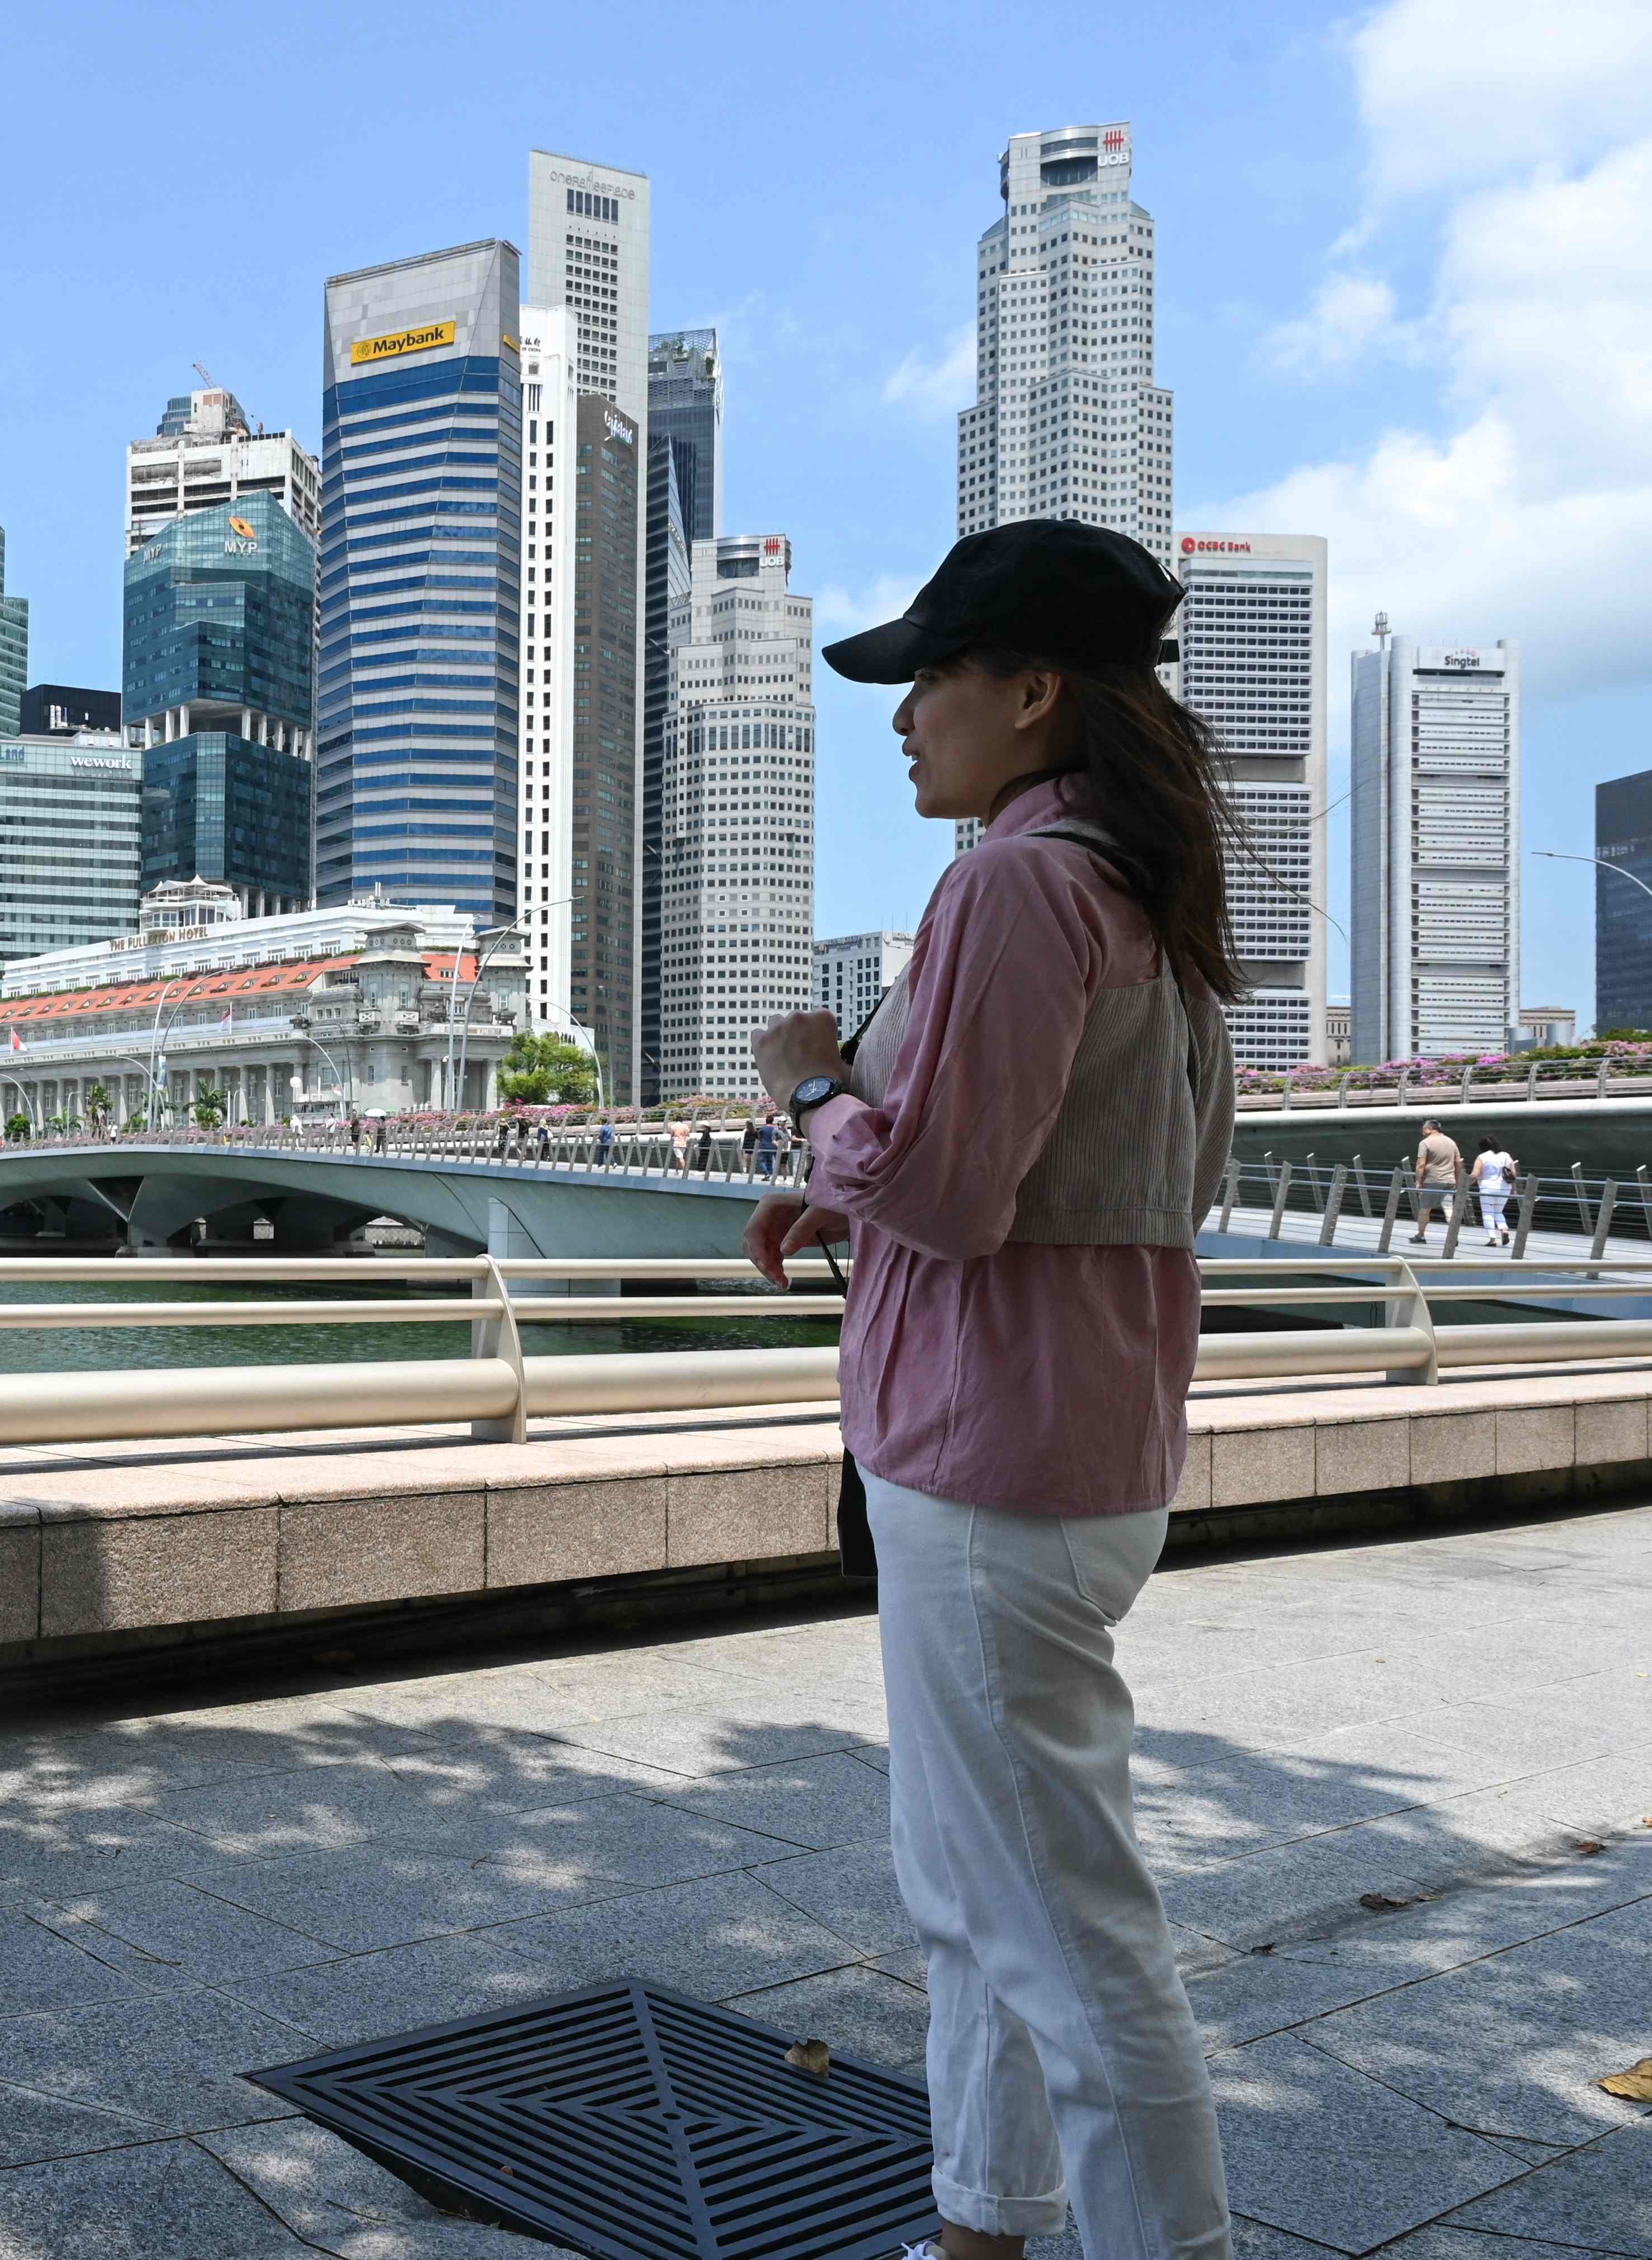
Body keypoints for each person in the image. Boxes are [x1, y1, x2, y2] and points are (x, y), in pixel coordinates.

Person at [745, 520, 1235, 2260]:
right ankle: (982, 2227)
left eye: (929, 681)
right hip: (1083, 1446)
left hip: (985, 1462)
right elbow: (1105, 1168)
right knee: (981, 1893)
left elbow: (952, 1196)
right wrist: (851, 1186)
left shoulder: (1014, 889)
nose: (903, 720)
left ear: (1031, 692)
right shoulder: (1145, 887)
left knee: (1072, 1940)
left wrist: (815, 1096)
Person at [1413, 1118, 1462, 1238]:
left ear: (1430, 1129)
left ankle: (1421, 1236)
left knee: (1425, 1209)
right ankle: (1453, 1237)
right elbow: (1458, 1164)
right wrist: (1457, 1180)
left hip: (1432, 1181)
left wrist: (1418, 1181)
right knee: (1449, 1208)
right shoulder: (1451, 1142)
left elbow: (1421, 1164)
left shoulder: (1425, 1143)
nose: (1422, 1133)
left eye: (1424, 1130)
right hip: (1449, 1181)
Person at [1474, 1137, 1519, 1246]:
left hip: (1488, 1188)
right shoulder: (1506, 1156)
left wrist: (1465, 1184)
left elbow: (1475, 1174)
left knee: (1488, 1213)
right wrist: (1514, 1189)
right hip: (1504, 1188)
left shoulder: (1482, 1157)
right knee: (1498, 1212)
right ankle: (1504, 1230)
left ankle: (1493, 1239)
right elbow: (1513, 1174)